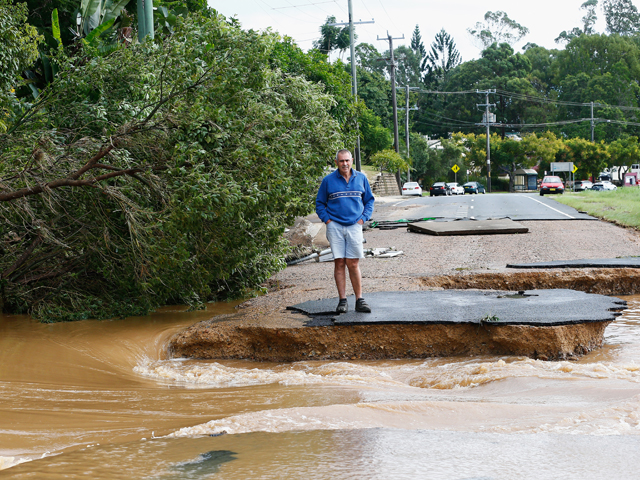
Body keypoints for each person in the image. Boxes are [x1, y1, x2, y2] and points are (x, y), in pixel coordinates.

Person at [316, 149, 375, 313]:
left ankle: (359, 300)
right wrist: (327, 220)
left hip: (354, 225)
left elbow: (369, 200)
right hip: (335, 226)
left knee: (353, 263)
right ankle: (342, 301)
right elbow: (320, 203)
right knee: (339, 262)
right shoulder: (328, 181)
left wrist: (364, 218)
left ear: (352, 161)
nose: (345, 164)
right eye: (341, 161)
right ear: (336, 162)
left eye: (347, 160)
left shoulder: (361, 178)